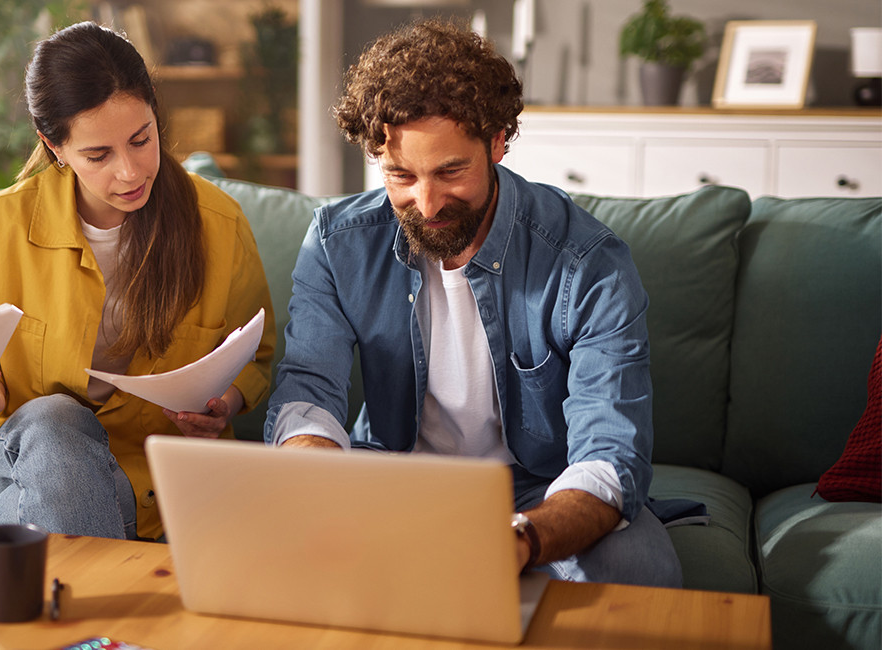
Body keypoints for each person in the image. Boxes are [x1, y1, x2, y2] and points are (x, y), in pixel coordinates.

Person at [264, 19, 685, 586]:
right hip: (389, 479)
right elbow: (308, 391)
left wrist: (519, 540)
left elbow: (609, 453)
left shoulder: (589, 262)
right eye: (401, 175)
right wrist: (318, 473)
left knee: (636, 564)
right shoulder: (339, 243)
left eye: (450, 171)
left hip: (539, 491)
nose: (427, 202)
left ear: (496, 143)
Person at [0, 22, 274, 542]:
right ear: (54, 147)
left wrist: (223, 405)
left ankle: (10, 604)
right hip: (28, 449)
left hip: (153, 466)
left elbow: (258, 356)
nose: (131, 172)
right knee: (53, 423)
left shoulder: (219, 223)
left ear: (156, 115)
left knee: (55, 498)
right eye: (99, 156)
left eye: (142, 139)